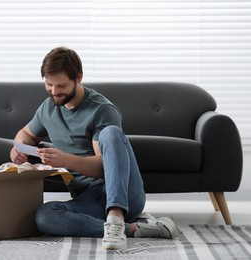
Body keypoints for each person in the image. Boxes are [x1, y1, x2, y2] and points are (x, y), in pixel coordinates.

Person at [10, 46, 178, 250]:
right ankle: (135, 228)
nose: (54, 92)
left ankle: (116, 215)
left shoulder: (101, 109)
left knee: (111, 133)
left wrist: (64, 159)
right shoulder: (48, 108)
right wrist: (19, 148)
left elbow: (103, 169)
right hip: (87, 199)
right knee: (44, 216)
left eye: (61, 85)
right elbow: (26, 133)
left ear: (79, 77)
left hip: (121, 192)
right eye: (49, 84)